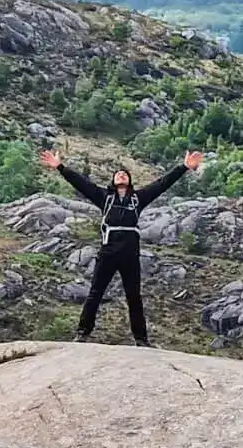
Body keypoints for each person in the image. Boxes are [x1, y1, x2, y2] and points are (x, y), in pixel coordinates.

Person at [36, 148, 204, 346]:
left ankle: (141, 340)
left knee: (134, 298)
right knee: (95, 293)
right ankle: (82, 333)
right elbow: (81, 183)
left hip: (130, 255)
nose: (121, 174)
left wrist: (184, 167)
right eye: (117, 174)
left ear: (129, 180)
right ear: (113, 181)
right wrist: (60, 167)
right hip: (108, 251)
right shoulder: (103, 197)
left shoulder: (138, 198)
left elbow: (162, 184)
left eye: (124, 174)